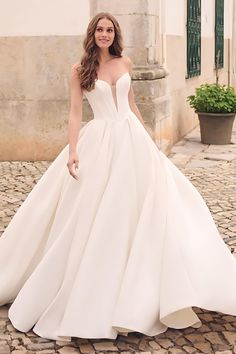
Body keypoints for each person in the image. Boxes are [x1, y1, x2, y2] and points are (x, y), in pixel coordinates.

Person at [1, 11, 236, 342]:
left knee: (153, 205)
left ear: (115, 34)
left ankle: (152, 281)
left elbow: (132, 104)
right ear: (92, 33)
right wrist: (72, 151)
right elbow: (74, 113)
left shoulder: (126, 63)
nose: (105, 34)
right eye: (100, 29)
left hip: (132, 140)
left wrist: (149, 142)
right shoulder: (80, 70)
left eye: (110, 29)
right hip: (99, 141)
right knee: (97, 212)